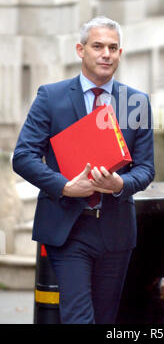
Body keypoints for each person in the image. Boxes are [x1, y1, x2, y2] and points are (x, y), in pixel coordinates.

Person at [13, 16, 155, 324]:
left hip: (115, 231)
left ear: (120, 53)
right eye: (98, 46)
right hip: (68, 228)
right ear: (81, 50)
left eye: (113, 48)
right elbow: (23, 156)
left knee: (105, 320)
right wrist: (65, 186)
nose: (106, 53)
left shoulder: (137, 102)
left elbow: (146, 169)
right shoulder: (51, 97)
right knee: (79, 319)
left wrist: (120, 183)